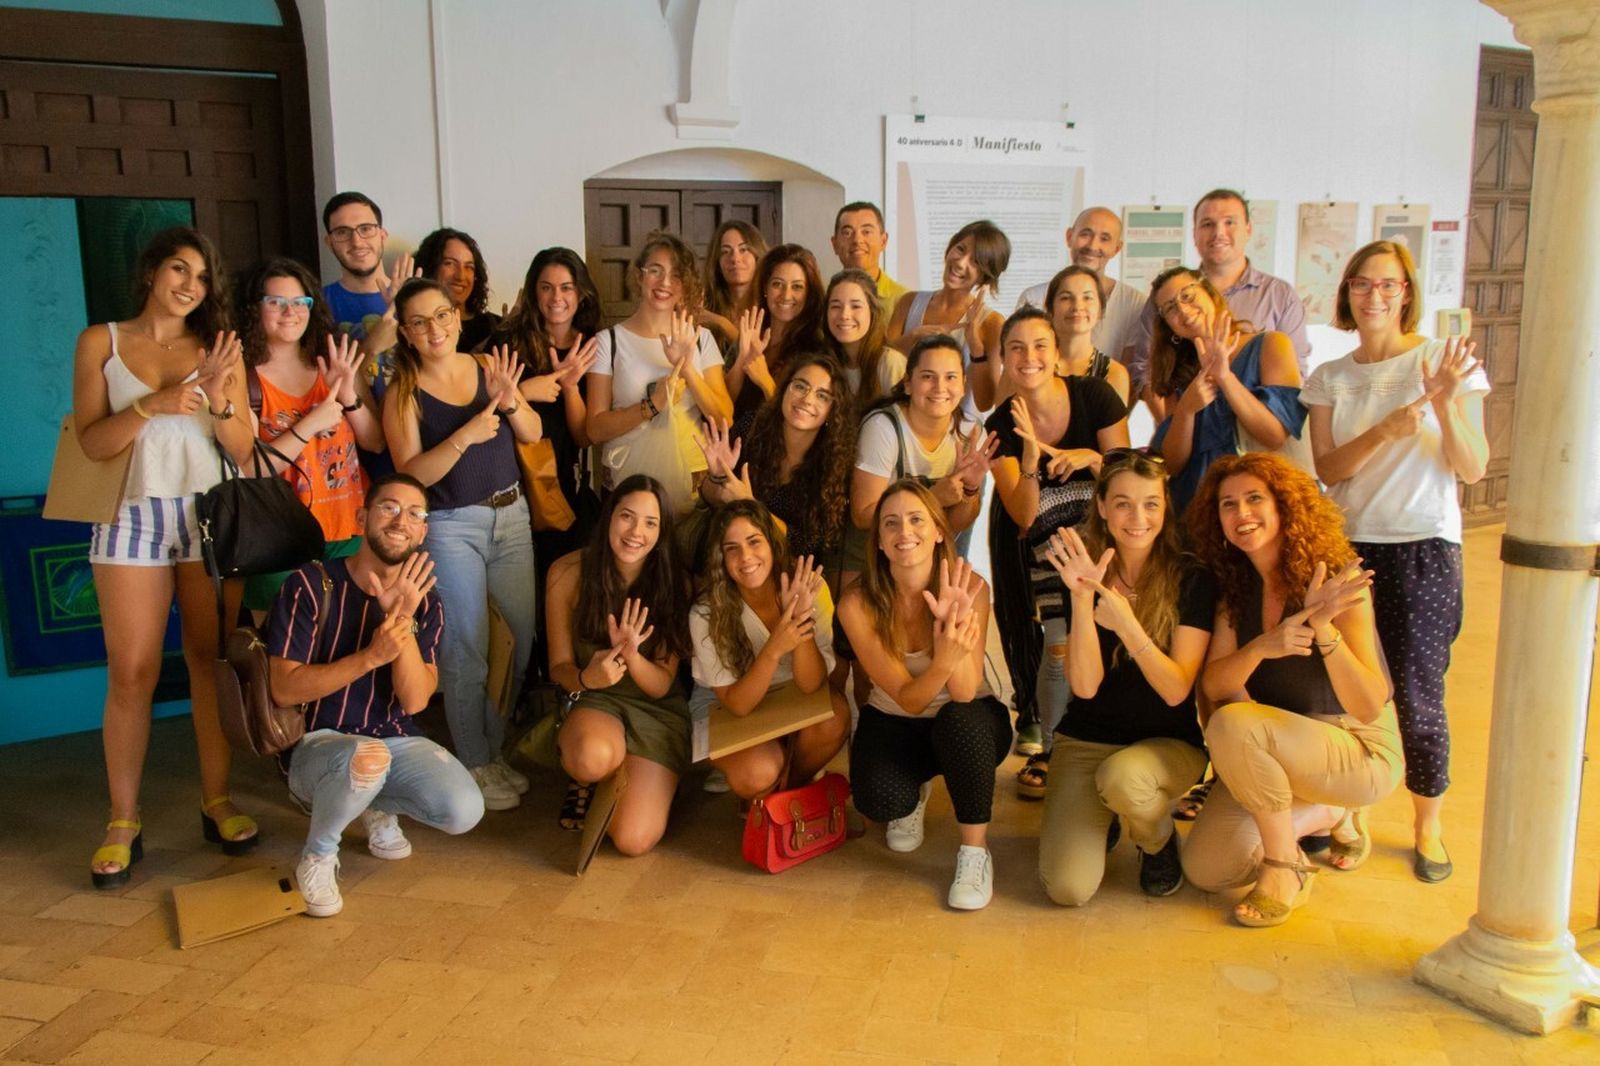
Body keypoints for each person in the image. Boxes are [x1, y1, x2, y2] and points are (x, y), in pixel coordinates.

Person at [73, 226, 258, 887]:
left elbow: (241, 448)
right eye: (180, 269)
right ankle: (123, 819)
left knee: (206, 661)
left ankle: (217, 800)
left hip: (206, 519)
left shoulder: (218, 348)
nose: (190, 285)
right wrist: (153, 404)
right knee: (131, 672)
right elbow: (93, 443)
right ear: (152, 272)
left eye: (203, 277)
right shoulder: (103, 341)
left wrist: (219, 395)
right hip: (129, 517)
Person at [1302, 240, 1489, 883]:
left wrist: (1440, 399)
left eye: (1387, 285)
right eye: (1361, 284)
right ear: (1347, 292)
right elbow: (1327, 470)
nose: (1374, 296)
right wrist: (1384, 429)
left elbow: (1473, 466)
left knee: (1417, 692)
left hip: (1426, 546)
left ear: (1406, 291)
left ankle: (1426, 823)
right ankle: (1350, 813)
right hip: (1352, 545)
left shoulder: (1443, 361)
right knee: (1349, 688)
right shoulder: (1331, 375)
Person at [1181, 453, 1402, 927]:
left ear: (1283, 505)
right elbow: (1216, 683)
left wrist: (1324, 630)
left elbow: (1367, 704)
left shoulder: (1336, 579)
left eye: (1255, 499)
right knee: (1207, 868)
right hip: (1280, 748)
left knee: (1235, 724)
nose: (1242, 514)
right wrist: (1264, 646)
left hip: (1358, 748)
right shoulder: (1235, 588)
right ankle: (1326, 814)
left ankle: (1286, 868)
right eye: (1228, 504)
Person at [267, 473, 483, 917]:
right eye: (388, 508)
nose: (400, 520)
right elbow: (284, 687)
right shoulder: (310, 585)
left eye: (414, 514)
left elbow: (416, 702)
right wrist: (369, 656)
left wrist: (400, 623)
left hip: (392, 737)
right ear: (363, 517)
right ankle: (319, 855)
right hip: (317, 746)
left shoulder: (427, 601)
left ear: (423, 531)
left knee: (464, 810)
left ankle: (369, 802)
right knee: (366, 758)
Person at [381, 278, 542, 812]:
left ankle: (493, 753)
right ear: (406, 333)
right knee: (466, 649)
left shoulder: (484, 366)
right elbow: (410, 476)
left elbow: (533, 432)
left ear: (457, 316)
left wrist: (510, 400)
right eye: (420, 322)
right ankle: (473, 760)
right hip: (450, 525)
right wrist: (464, 436)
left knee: (517, 641)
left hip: (513, 515)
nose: (435, 329)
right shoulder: (403, 391)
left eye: (442, 315)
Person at [1036, 453, 1213, 904]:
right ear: (1101, 506)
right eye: (1123, 503)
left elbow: (1176, 691)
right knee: (1067, 888)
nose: (1138, 518)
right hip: (1086, 741)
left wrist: (1128, 624)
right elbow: (1086, 688)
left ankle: (1157, 841)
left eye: (1151, 504)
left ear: (1165, 507)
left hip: (1167, 744)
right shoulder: (1081, 568)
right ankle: (1114, 814)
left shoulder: (1192, 577)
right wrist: (1080, 598)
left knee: (1123, 779)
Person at [839, 481, 1008, 910]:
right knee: (879, 799)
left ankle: (974, 851)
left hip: (967, 716)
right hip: (896, 716)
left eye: (916, 519)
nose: (904, 532)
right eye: (890, 524)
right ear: (878, 541)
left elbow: (966, 691)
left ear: (937, 530)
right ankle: (915, 788)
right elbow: (908, 699)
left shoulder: (972, 587)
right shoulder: (856, 603)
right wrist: (941, 660)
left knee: (958, 722)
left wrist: (955, 622)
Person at [985, 307, 1128, 787]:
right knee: (1059, 644)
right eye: (1016, 348)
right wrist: (1028, 461)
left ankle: (1108, 739)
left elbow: (1132, 481)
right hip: (1051, 548)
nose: (1029, 357)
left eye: (1039, 345)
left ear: (1057, 353)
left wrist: (1093, 458)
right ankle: (1048, 748)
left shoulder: (1095, 396)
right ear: (1004, 358)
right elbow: (1023, 516)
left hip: (1111, 540)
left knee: (1115, 640)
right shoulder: (999, 424)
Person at [544, 475, 694, 855]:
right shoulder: (566, 572)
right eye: (626, 517)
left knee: (633, 840)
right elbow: (558, 666)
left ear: (661, 532)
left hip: (655, 708)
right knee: (591, 758)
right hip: (596, 699)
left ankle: (643, 780)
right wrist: (586, 678)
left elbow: (661, 685)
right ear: (609, 518)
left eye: (650, 523)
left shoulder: (676, 582)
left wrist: (631, 657)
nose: (635, 532)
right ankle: (596, 773)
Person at [233, 257, 383, 616]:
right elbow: (252, 467)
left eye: (301, 302)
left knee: (350, 640)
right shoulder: (243, 376)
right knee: (283, 650)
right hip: (278, 536)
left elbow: (374, 442)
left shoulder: (333, 361)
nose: (290, 312)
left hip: (347, 525)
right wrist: (310, 423)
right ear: (255, 308)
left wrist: (348, 396)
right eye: (276, 302)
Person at [690, 501, 847, 802]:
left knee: (833, 720)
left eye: (754, 541)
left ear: (773, 544)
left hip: (789, 694)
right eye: (731, 548)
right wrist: (774, 648)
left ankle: (780, 797)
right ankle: (770, 787)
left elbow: (811, 685)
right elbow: (737, 705)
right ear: (720, 558)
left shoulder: (811, 587)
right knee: (758, 772)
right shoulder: (705, 613)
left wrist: (799, 620)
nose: (745, 556)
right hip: (725, 706)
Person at [487, 247, 602, 609]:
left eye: (567, 288)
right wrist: (523, 392)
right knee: (515, 599)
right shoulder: (507, 342)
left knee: (558, 592)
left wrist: (569, 386)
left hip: (560, 486)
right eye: (547, 287)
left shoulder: (594, 346)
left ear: (581, 293)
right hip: (509, 482)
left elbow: (584, 435)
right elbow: (480, 412)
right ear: (533, 292)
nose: (557, 298)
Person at [586, 233, 733, 516]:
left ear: (686, 284)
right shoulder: (609, 341)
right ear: (640, 277)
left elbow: (724, 417)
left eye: (676, 275)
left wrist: (687, 367)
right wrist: (652, 405)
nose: (665, 283)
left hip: (692, 484)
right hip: (627, 484)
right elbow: (595, 428)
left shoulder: (701, 339)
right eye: (655, 270)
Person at [1146, 266, 1304, 512]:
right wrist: (1187, 409)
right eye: (1170, 308)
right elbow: (1172, 465)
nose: (1183, 310)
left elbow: (1274, 435)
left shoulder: (1271, 344)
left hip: (1260, 507)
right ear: (1168, 326)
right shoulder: (1176, 370)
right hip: (1196, 509)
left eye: (1187, 296)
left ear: (1210, 294)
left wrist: (1224, 377)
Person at [1130, 190, 1309, 397]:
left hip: (1257, 425)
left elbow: (1296, 377)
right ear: (1195, 234)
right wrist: (1176, 421)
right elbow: (1145, 371)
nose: (1218, 233)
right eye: (1207, 224)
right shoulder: (1166, 296)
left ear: (1248, 230)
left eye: (1229, 222)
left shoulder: (1280, 296)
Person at [698, 354, 857, 575]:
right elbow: (709, 496)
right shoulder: (751, 427)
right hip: (728, 558)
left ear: (833, 411)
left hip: (785, 572)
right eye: (800, 386)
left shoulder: (834, 465)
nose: (807, 399)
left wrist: (750, 504)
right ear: (784, 390)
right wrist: (717, 476)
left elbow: (806, 545)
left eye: (822, 396)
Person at [851, 335, 994, 563]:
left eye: (950, 377)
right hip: (871, 553)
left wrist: (970, 489)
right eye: (928, 377)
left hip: (925, 554)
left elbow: (955, 525)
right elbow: (862, 516)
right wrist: (932, 498)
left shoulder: (971, 433)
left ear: (963, 385)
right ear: (908, 384)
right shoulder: (882, 428)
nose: (940, 387)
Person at [888, 221, 1009, 419]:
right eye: (960, 249)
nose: (961, 263)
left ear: (986, 277)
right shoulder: (908, 302)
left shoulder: (992, 323)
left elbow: (986, 402)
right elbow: (883, 365)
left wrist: (975, 345)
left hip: (958, 432)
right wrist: (913, 337)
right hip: (903, 420)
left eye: (976, 262)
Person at [1016, 207, 1147, 369]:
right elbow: (1020, 364)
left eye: (1104, 239)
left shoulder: (1134, 302)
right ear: (1069, 237)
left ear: (1117, 248)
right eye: (1085, 234)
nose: (1092, 245)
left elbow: (1131, 373)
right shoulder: (1033, 298)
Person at [727, 244, 825, 431]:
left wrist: (764, 378)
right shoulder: (750, 333)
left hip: (780, 452)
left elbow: (804, 418)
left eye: (797, 287)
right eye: (777, 284)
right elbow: (723, 404)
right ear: (765, 287)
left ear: (809, 294)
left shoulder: (816, 349)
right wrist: (742, 359)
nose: (786, 295)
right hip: (733, 447)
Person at [320, 191, 415, 362]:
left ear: (382, 235)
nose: (356, 241)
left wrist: (408, 310)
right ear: (329, 242)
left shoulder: (417, 296)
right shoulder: (317, 304)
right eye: (342, 232)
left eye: (366, 229)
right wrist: (372, 346)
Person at [1045, 265, 1132, 405]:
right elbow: (1001, 423)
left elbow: (1116, 427)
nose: (1077, 307)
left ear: (1100, 311)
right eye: (1066, 298)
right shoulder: (1029, 365)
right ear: (1050, 309)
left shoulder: (1115, 374)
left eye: (1087, 298)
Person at [823, 268, 905, 410]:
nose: (844, 315)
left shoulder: (889, 362)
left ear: (872, 312)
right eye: (836, 306)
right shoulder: (823, 360)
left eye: (855, 306)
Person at [416, 227, 500, 353]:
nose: (460, 276)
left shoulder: (494, 326)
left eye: (469, 267)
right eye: (449, 263)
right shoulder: (417, 329)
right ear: (430, 267)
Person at [699, 220, 768, 348]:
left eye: (744, 249)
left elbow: (757, 360)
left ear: (757, 255)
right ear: (717, 262)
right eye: (725, 251)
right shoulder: (707, 305)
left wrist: (722, 323)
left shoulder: (770, 306)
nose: (735, 258)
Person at [831, 201, 908, 309]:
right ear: (834, 244)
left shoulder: (904, 300)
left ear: (883, 241)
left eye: (866, 232)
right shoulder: (824, 299)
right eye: (847, 233)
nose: (857, 240)